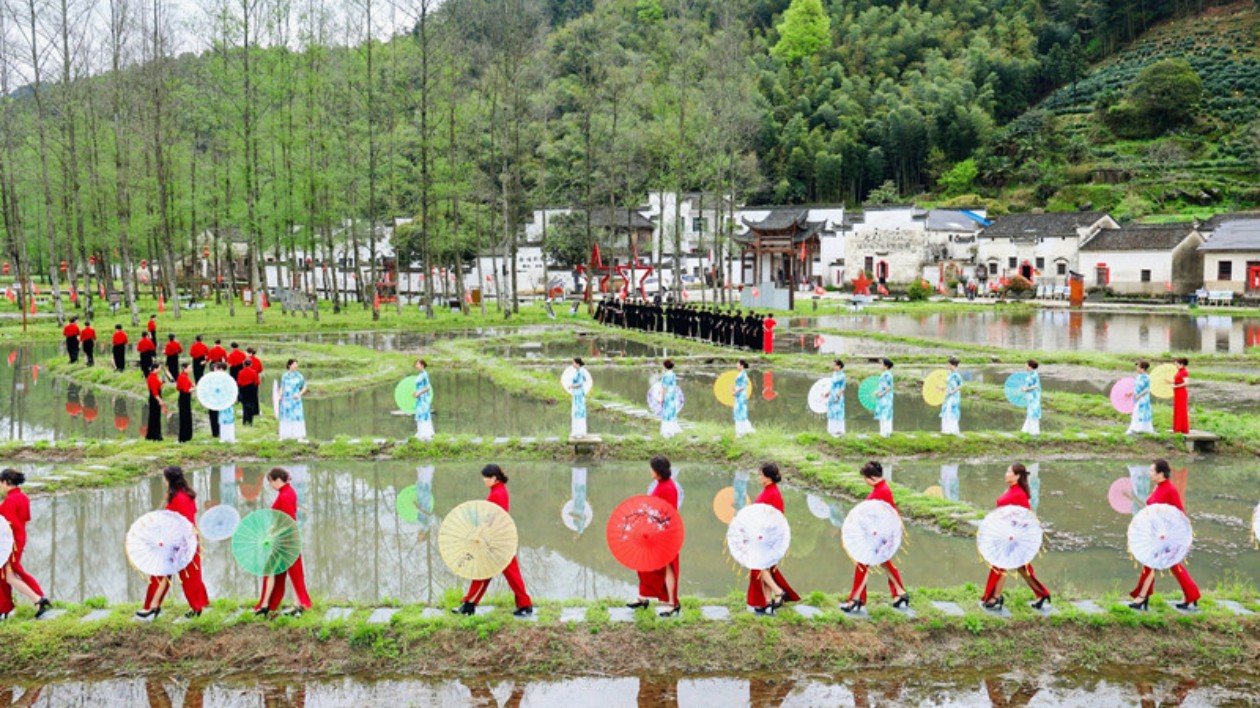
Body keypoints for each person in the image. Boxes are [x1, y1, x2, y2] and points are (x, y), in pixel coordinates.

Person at [452, 465, 533, 617]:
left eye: (486, 477)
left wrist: (479, 531)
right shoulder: (499, 490)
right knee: (507, 573)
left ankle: (469, 604)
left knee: (484, 570)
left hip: (496, 541)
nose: (484, 480)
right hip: (500, 539)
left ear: (494, 478)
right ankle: (524, 604)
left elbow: (492, 519)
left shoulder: (497, 494)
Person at [135, 467, 210, 619]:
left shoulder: (178, 498)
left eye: (164, 477)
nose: (163, 480)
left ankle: (155, 607)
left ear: (169, 480)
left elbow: (179, 523)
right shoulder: (187, 494)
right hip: (187, 539)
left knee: (173, 574)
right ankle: (156, 607)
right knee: (177, 575)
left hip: (180, 542)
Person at [1130, 459, 1200, 611]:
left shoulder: (1170, 490)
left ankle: (1142, 596)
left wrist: (1173, 536)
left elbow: (1180, 514)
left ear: (1160, 474)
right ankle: (1191, 594)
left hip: (1165, 537)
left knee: (1150, 564)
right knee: (1174, 566)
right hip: (1155, 534)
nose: (1149, 473)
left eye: (1152, 471)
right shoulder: (1158, 487)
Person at [979, 463, 1051, 611]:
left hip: (1013, 537)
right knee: (1022, 567)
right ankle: (1041, 593)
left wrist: (1014, 531)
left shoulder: (1019, 494)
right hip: (1006, 534)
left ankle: (995, 597)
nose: (1006, 474)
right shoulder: (1013, 490)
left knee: (1000, 564)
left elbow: (1026, 517)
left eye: (1009, 471)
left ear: (1017, 476)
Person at [841, 462, 909, 613]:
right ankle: (900, 593)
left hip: (880, 535)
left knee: (862, 564)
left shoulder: (880, 492)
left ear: (871, 478)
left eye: (865, 478)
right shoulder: (882, 488)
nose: (864, 481)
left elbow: (867, 513)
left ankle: (855, 599)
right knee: (885, 562)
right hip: (885, 534)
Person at [627, 456, 681, 617]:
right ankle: (643, 597)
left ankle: (673, 603)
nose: (650, 471)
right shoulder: (660, 485)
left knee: (668, 567)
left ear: (658, 471)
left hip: (665, 534)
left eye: (652, 469)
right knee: (644, 564)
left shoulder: (668, 488)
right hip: (654, 531)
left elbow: (667, 514)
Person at [254, 468, 311, 617]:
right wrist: (272, 530)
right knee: (289, 572)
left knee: (275, 570)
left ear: (277, 480)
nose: (271, 485)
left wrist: (271, 535)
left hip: (285, 540)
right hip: (287, 539)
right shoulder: (288, 492)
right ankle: (292, 605)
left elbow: (288, 523)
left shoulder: (284, 496)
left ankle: (267, 605)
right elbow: (283, 519)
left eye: (271, 482)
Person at [0, 469, 53, 620]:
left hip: (11, 543)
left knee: (9, 576)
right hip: (19, 538)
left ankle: (38, 599)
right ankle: (35, 599)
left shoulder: (10, 501)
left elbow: (6, 525)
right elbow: (26, 519)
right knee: (8, 574)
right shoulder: (23, 497)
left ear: (6, 482)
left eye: (1, 483)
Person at [747, 462, 799, 615]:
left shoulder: (771, 494)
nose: (759, 477)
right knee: (766, 567)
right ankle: (766, 602)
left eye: (761, 474)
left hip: (766, 536)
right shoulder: (770, 491)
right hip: (765, 535)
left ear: (768, 477)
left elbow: (775, 518)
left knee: (758, 565)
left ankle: (778, 591)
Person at [277, 359, 307, 440]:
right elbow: (282, 387)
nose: (296, 366)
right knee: (285, 416)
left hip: (296, 400)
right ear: (289, 365)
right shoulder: (285, 376)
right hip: (286, 400)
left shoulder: (299, 376)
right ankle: (285, 435)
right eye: (294, 364)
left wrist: (299, 394)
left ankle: (298, 435)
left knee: (297, 416)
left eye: (296, 364)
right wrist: (280, 396)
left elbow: (304, 387)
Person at [1126, 361, 1154, 435]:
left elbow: (1147, 389)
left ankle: (1139, 428)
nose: (1136, 368)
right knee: (1136, 413)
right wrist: (1131, 393)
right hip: (1137, 398)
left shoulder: (1146, 377)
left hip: (1143, 398)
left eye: (1138, 367)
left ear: (1143, 368)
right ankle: (1136, 428)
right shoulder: (1138, 376)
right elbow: (1136, 387)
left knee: (1140, 412)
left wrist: (1140, 395)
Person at [659, 359, 682, 439]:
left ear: (665, 366)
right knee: (672, 412)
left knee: (667, 413)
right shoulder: (672, 374)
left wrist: (661, 399)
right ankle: (672, 430)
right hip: (672, 395)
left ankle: (667, 432)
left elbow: (664, 388)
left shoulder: (666, 376)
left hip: (668, 396)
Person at [413, 359, 434, 441]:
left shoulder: (425, 374)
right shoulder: (420, 374)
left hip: (424, 398)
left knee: (423, 413)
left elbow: (428, 387)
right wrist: (416, 392)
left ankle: (426, 433)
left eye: (417, 364)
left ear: (422, 365)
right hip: (420, 397)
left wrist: (419, 393)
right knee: (419, 413)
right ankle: (420, 432)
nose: (416, 366)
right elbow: (419, 386)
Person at [941, 357, 963, 437]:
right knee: (946, 411)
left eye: (949, 364)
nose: (947, 365)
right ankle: (946, 430)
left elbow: (960, 385)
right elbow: (948, 384)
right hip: (948, 395)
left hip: (954, 396)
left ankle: (953, 430)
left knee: (952, 411)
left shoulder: (957, 375)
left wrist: (952, 391)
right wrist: (943, 388)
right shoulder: (949, 374)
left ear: (953, 365)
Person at [567, 357, 588, 438]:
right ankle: (576, 431)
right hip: (576, 393)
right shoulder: (577, 371)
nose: (572, 364)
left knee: (579, 411)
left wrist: (572, 386)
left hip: (579, 394)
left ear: (577, 363)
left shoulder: (581, 371)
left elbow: (580, 383)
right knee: (576, 411)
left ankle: (580, 432)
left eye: (573, 363)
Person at [874, 358, 895, 438]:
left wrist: (882, 393)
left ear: (886, 366)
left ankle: (887, 432)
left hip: (886, 397)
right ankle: (882, 431)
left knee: (886, 413)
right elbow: (882, 386)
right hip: (882, 396)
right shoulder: (883, 374)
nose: (880, 365)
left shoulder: (888, 375)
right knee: (882, 413)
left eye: (882, 364)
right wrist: (878, 392)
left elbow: (889, 387)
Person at [733, 359, 754, 437]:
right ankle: (744, 430)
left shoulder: (743, 374)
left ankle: (741, 432)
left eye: (737, 365)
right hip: (739, 395)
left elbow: (743, 386)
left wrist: (736, 391)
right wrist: (734, 389)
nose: (736, 366)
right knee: (738, 412)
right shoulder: (741, 374)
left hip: (741, 395)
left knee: (740, 412)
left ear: (742, 366)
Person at [1020, 360, 1042, 436]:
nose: (1025, 367)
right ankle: (1026, 431)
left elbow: (1036, 386)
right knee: (1030, 413)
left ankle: (1034, 432)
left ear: (1030, 366)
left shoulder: (1035, 374)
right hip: (1030, 396)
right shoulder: (1030, 374)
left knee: (1033, 413)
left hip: (1034, 397)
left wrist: (1026, 389)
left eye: (1026, 365)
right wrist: (1024, 388)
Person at [175, 362, 195, 443]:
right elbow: (186, 390)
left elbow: (190, 385)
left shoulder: (185, 376)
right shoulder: (182, 377)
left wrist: (193, 386)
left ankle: (187, 436)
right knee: (184, 417)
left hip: (185, 398)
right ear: (184, 368)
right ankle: (184, 437)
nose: (191, 369)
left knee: (186, 416)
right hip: (184, 398)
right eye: (189, 368)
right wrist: (195, 389)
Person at [144, 365, 164, 442]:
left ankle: (153, 434)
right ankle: (155, 435)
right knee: (154, 416)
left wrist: (162, 382)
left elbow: (157, 386)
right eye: (159, 368)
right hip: (154, 398)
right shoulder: (151, 378)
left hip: (155, 397)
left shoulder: (154, 376)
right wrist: (159, 400)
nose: (160, 369)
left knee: (155, 416)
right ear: (155, 369)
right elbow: (154, 391)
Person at [237, 361, 260, 426]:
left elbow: (239, 382)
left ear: (244, 365)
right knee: (251, 405)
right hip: (252, 389)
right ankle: (250, 420)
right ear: (251, 364)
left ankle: (245, 420)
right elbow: (257, 382)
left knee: (244, 405)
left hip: (244, 389)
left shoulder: (240, 372)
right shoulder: (254, 372)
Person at [827, 360, 847, 437]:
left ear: (839, 366)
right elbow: (832, 385)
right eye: (833, 365)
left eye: (835, 365)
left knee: (838, 411)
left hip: (838, 394)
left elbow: (843, 388)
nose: (833, 367)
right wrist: (828, 392)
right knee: (831, 411)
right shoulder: (834, 374)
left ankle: (838, 431)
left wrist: (838, 396)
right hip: (832, 394)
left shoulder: (842, 375)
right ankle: (831, 430)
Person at [1171, 357, 1190, 434]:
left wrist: (1176, 386)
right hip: (1177, 392)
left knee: (1181, 410)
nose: (1176, 365)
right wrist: (1170, 382)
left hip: (1181, 393)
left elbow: (1186, 383)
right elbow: (1177, 381)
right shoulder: (1179, 371)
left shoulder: (1184, 372)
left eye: (1177, 364)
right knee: (1177, 409)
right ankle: (1177, 428)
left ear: (1181, 364)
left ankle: (1181, 428)